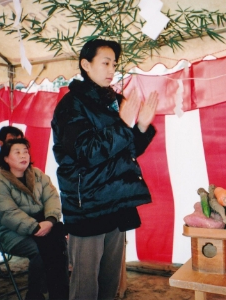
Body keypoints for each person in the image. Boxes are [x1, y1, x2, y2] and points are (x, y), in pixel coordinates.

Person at [51, 39, 159, 300]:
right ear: (86, 64)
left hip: (116, 199)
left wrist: (141, 128)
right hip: (87, 204)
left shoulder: (113, 100)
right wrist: (123, 123)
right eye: (105, 62)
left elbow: (127, 151)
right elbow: (87, 153)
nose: (112, 69)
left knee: (109, 281)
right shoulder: (71, 105)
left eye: (114, 64)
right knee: (86, 285)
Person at [0, 138, 69, 300]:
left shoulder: (37, 174)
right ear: (6, 158)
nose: (23, 155)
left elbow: (52, 197)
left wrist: (51, 220)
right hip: (11, 232)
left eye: (25, 151)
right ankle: (35, 294)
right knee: (40, 251)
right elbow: (8, 214)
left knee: (58, 244)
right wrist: (36, 228)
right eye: (17, 152)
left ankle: (58, 293)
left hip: (42, 225)